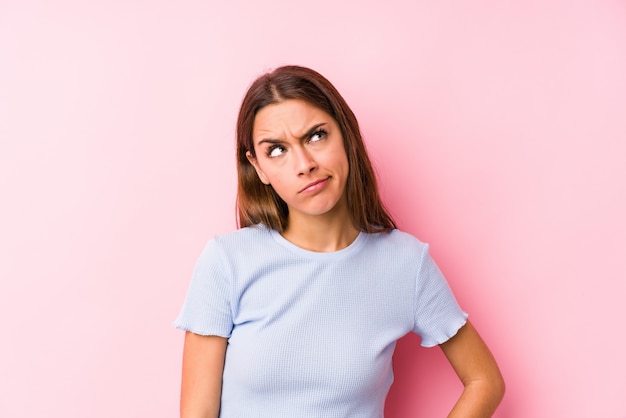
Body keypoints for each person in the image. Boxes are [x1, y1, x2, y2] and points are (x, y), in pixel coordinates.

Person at [173, 65, 505, 417]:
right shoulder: (227, 261)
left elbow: (485, 381)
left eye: (316, 136)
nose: (304, 164)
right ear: (258, 168)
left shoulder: (406, 263)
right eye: (276, 150)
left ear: (344, 134)